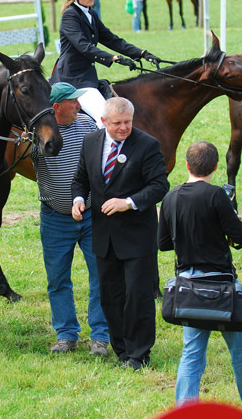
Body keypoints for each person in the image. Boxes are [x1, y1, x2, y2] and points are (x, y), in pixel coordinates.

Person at [158, 141, 242, 416]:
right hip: (221, 285)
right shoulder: (217, 196)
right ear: (216, 167)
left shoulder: (171, 197)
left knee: (192, 355)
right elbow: (240, 237)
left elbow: (163, 243)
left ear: (187, 165)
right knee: (241, 352)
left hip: (189, 284)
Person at [71, 97, 170, 370]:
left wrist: (128, 202)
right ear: (104, 122)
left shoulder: (147, 145)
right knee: (110, 296)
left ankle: (139, 354)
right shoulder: (90, 143)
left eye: (128, 122)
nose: (124, 128)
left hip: (137, 237)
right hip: (104, 237)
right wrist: (78, 199)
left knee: (137, 297)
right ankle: (122, 350)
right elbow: (81, 179)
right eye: (117, 123)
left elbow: (160, 186)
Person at [32, 82, 109, 357]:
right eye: (73, 102)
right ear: (56, 107)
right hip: (55, 219)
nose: (78, 105)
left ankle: (100, 336)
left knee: (100, 275)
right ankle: (66, 335)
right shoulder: (39, 135)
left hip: (90, 217)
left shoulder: (87, 125)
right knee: (57, 279)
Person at [49, 0, 160, 127]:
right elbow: (84, 47)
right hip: (74, 80)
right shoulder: (70, 16)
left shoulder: (90, 14)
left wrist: (141, 53)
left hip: (88, 77)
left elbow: (111, 39)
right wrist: (113, 58)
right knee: (106, 120)